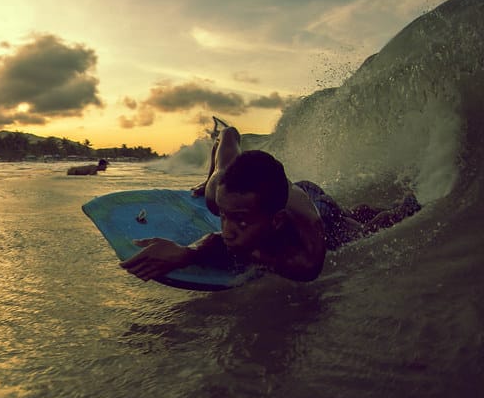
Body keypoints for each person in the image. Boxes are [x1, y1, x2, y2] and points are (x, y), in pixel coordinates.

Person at [120, 120, 421, 283]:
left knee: (356, 229)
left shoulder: (306, 255)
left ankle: (401, 208)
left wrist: (189, 253)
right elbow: (228, 139)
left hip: (314, 204)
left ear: (274, 221)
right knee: (215, 195)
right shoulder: (222, 193)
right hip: (268, 192)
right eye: (224, 216)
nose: (227, 229)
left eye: (240, 221)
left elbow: (224, 245)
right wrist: (214, 166)